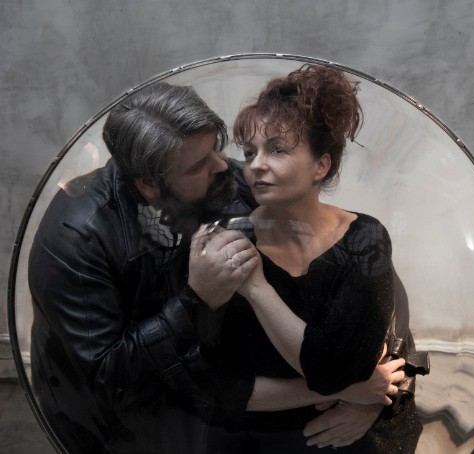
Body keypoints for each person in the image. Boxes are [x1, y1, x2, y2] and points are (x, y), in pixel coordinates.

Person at [28, 82, 405, 454]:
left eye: (217, 148)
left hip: (227, 417)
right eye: (199, 165)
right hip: (113, 427)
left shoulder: (230, 181)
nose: (226, 166)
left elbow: (365, 287)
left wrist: (373, 397)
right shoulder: (77, 237)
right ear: (149, 184)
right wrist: (196, 300)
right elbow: (107, 380)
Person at [197, 65, 424, 453]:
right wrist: (356, 390)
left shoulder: (364, 239)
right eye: (250, 152)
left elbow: (335, 367)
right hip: (255, 443)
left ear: (322, 165)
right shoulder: (225, 242)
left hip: (358, 441)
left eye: (277, 150)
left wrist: (257, 289)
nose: (255, 165)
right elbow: (213, 385)